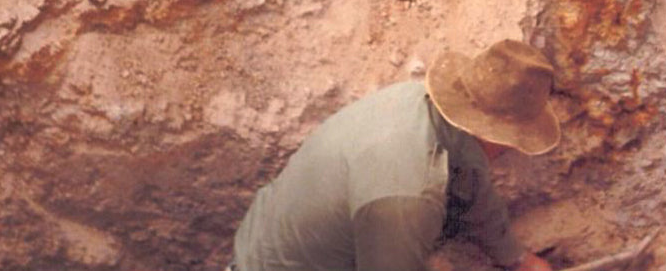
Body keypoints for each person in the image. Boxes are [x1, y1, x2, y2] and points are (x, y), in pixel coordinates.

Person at [231, 39, 562, 271]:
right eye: (514, 139)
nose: (512, 148)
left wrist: (518, 259)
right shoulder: (408, 193)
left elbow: (470, 179)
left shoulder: (427, 108)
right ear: (494, 134)